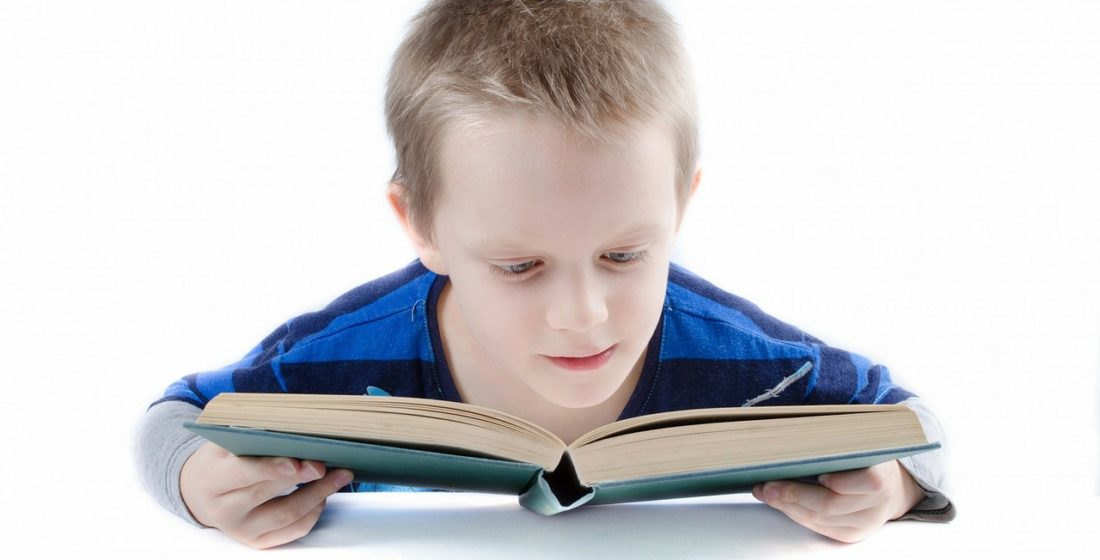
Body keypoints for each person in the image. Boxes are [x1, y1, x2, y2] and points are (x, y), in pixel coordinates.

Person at [137, 0, 954, 549]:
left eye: (626, 256)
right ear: (417, 224)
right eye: (519, 265)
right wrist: (197, 483)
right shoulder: (346, 356)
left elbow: (911, 425)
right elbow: (174, 418)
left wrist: (894, 487)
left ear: (681, 206)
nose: (583, 314)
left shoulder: (749, 360)